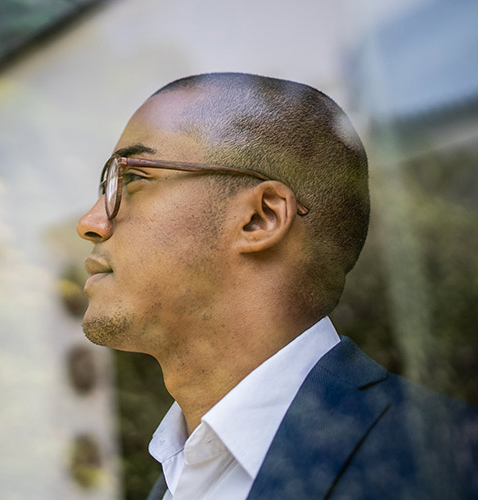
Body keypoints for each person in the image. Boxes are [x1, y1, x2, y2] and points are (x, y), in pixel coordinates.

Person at [76, 73, 478, 500]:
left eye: (134, 178)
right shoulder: (177, 477)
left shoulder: (446, 463)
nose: (91, 223)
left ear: (261, 218)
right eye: (107, 187)